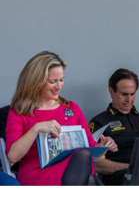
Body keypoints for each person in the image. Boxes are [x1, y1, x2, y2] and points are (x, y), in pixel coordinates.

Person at [5, 51, 117, 185]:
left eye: (61, 80)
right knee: (89, 178)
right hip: (37, 174)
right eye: (53, 82)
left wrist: (104, 146)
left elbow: (91, 151)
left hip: (76, 170)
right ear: (36, 82)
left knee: (84, 161)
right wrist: (36, 129)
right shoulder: (20, 111)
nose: (59, 86)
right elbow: (12, 156)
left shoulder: (72, 109)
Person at [89, 68, 139, 185]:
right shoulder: (99, 122)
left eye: (132, 94)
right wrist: (131, 169)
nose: (129, 99)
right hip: (121, 178)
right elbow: (95, 164)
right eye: (124, 94)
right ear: (111, 92)